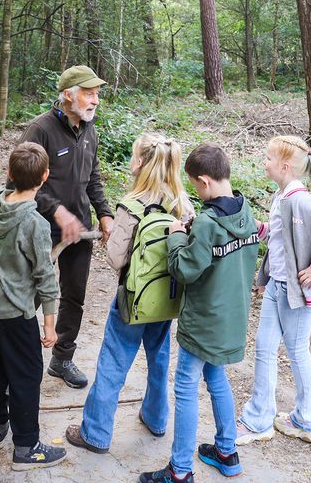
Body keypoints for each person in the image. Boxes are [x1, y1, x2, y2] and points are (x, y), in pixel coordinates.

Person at [65, 133, 194, 454]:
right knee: (159, 357)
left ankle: (95, 432)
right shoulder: (182, 204)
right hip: (167, 300)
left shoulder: (131, 206)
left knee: (113, 360)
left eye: (134, 156)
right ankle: (156, 418)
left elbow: (117, 258)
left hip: (133, 299)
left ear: (141, 164)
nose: (131, 161)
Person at [140, 145, 261, 483]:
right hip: (231, 320)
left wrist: (177, 238)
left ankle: (179, 471)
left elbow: (185, 270)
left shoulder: (208, 222)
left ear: (204, 181)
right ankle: (226, 451)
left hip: (203, 321)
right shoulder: (245, 211)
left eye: (194, 185)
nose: (195, 190)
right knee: (217, 378)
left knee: (186, 386)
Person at [237, 136, 311, 446]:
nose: (264, 164)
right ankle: (259, 419)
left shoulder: (300, 199)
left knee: (297, 351)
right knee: (264, 348)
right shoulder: (282, 197)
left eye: (268, 159)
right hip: (277, 286)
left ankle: (309, 420)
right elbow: (283, 236)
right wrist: (262, 231)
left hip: (293, 291)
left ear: (284, 166)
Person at [17, 65, 114, 392]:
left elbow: (93, 179)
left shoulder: (90, 130)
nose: (95, 100)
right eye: (89, 93)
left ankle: (61, 358)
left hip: (80, 232)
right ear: (68, 95)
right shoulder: (40, 130)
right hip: (41, 231)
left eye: (97, 94)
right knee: (29, 296)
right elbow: (19, 182)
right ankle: (18, 358)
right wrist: (57, 212)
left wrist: (104, 213)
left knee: (74, 296)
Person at [0, 142, 68, 470]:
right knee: (27, 374)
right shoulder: (36, 224)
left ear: (10, 174)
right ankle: (27, 446)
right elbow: (45, 277)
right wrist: (50, 324)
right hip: (15, 311)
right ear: (45, 176)